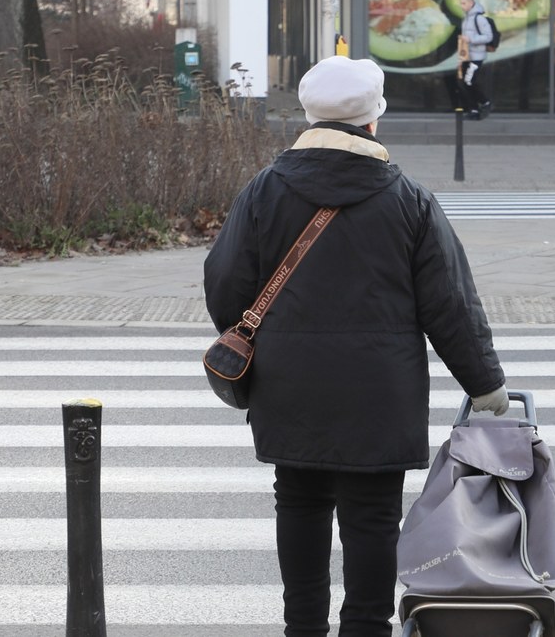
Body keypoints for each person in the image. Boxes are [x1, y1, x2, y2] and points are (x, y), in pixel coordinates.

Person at [203, 55, 510, 636]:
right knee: (372, 517)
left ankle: (303, 629)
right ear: (374, 119)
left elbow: (224, 284)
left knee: (298, 502)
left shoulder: (265, 190)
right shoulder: (407, 198)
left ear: (308, 114)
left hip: (288, 382)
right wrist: (486, 386)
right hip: (379, 389)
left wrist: (267, 338)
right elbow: (451, 305)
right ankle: (367, 628)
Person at [455, 0, 494, 120]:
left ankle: (485, 102)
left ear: (471, 3)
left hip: (476, 57)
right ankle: (474, 110)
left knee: (468, 81)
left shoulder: (479, 19)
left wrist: (470, 39)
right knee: (464, 83)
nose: (462, 6)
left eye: (464, 3)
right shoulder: (466, 19)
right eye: (461, 3)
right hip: (467, 57)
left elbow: (488, 36)